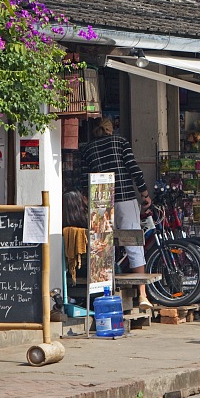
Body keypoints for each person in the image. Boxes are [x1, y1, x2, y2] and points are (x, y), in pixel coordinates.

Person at [79, 117, 153, 308]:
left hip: (100, 201)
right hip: (125, 198)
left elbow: (83, 178)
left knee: (103, 248)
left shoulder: (87, 149)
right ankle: (143, 296)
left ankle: (104, 295)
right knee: (133, 242)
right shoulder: (120, 143)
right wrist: (145, 194)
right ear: (111, 129)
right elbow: (134, 170)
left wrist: (87, 202)